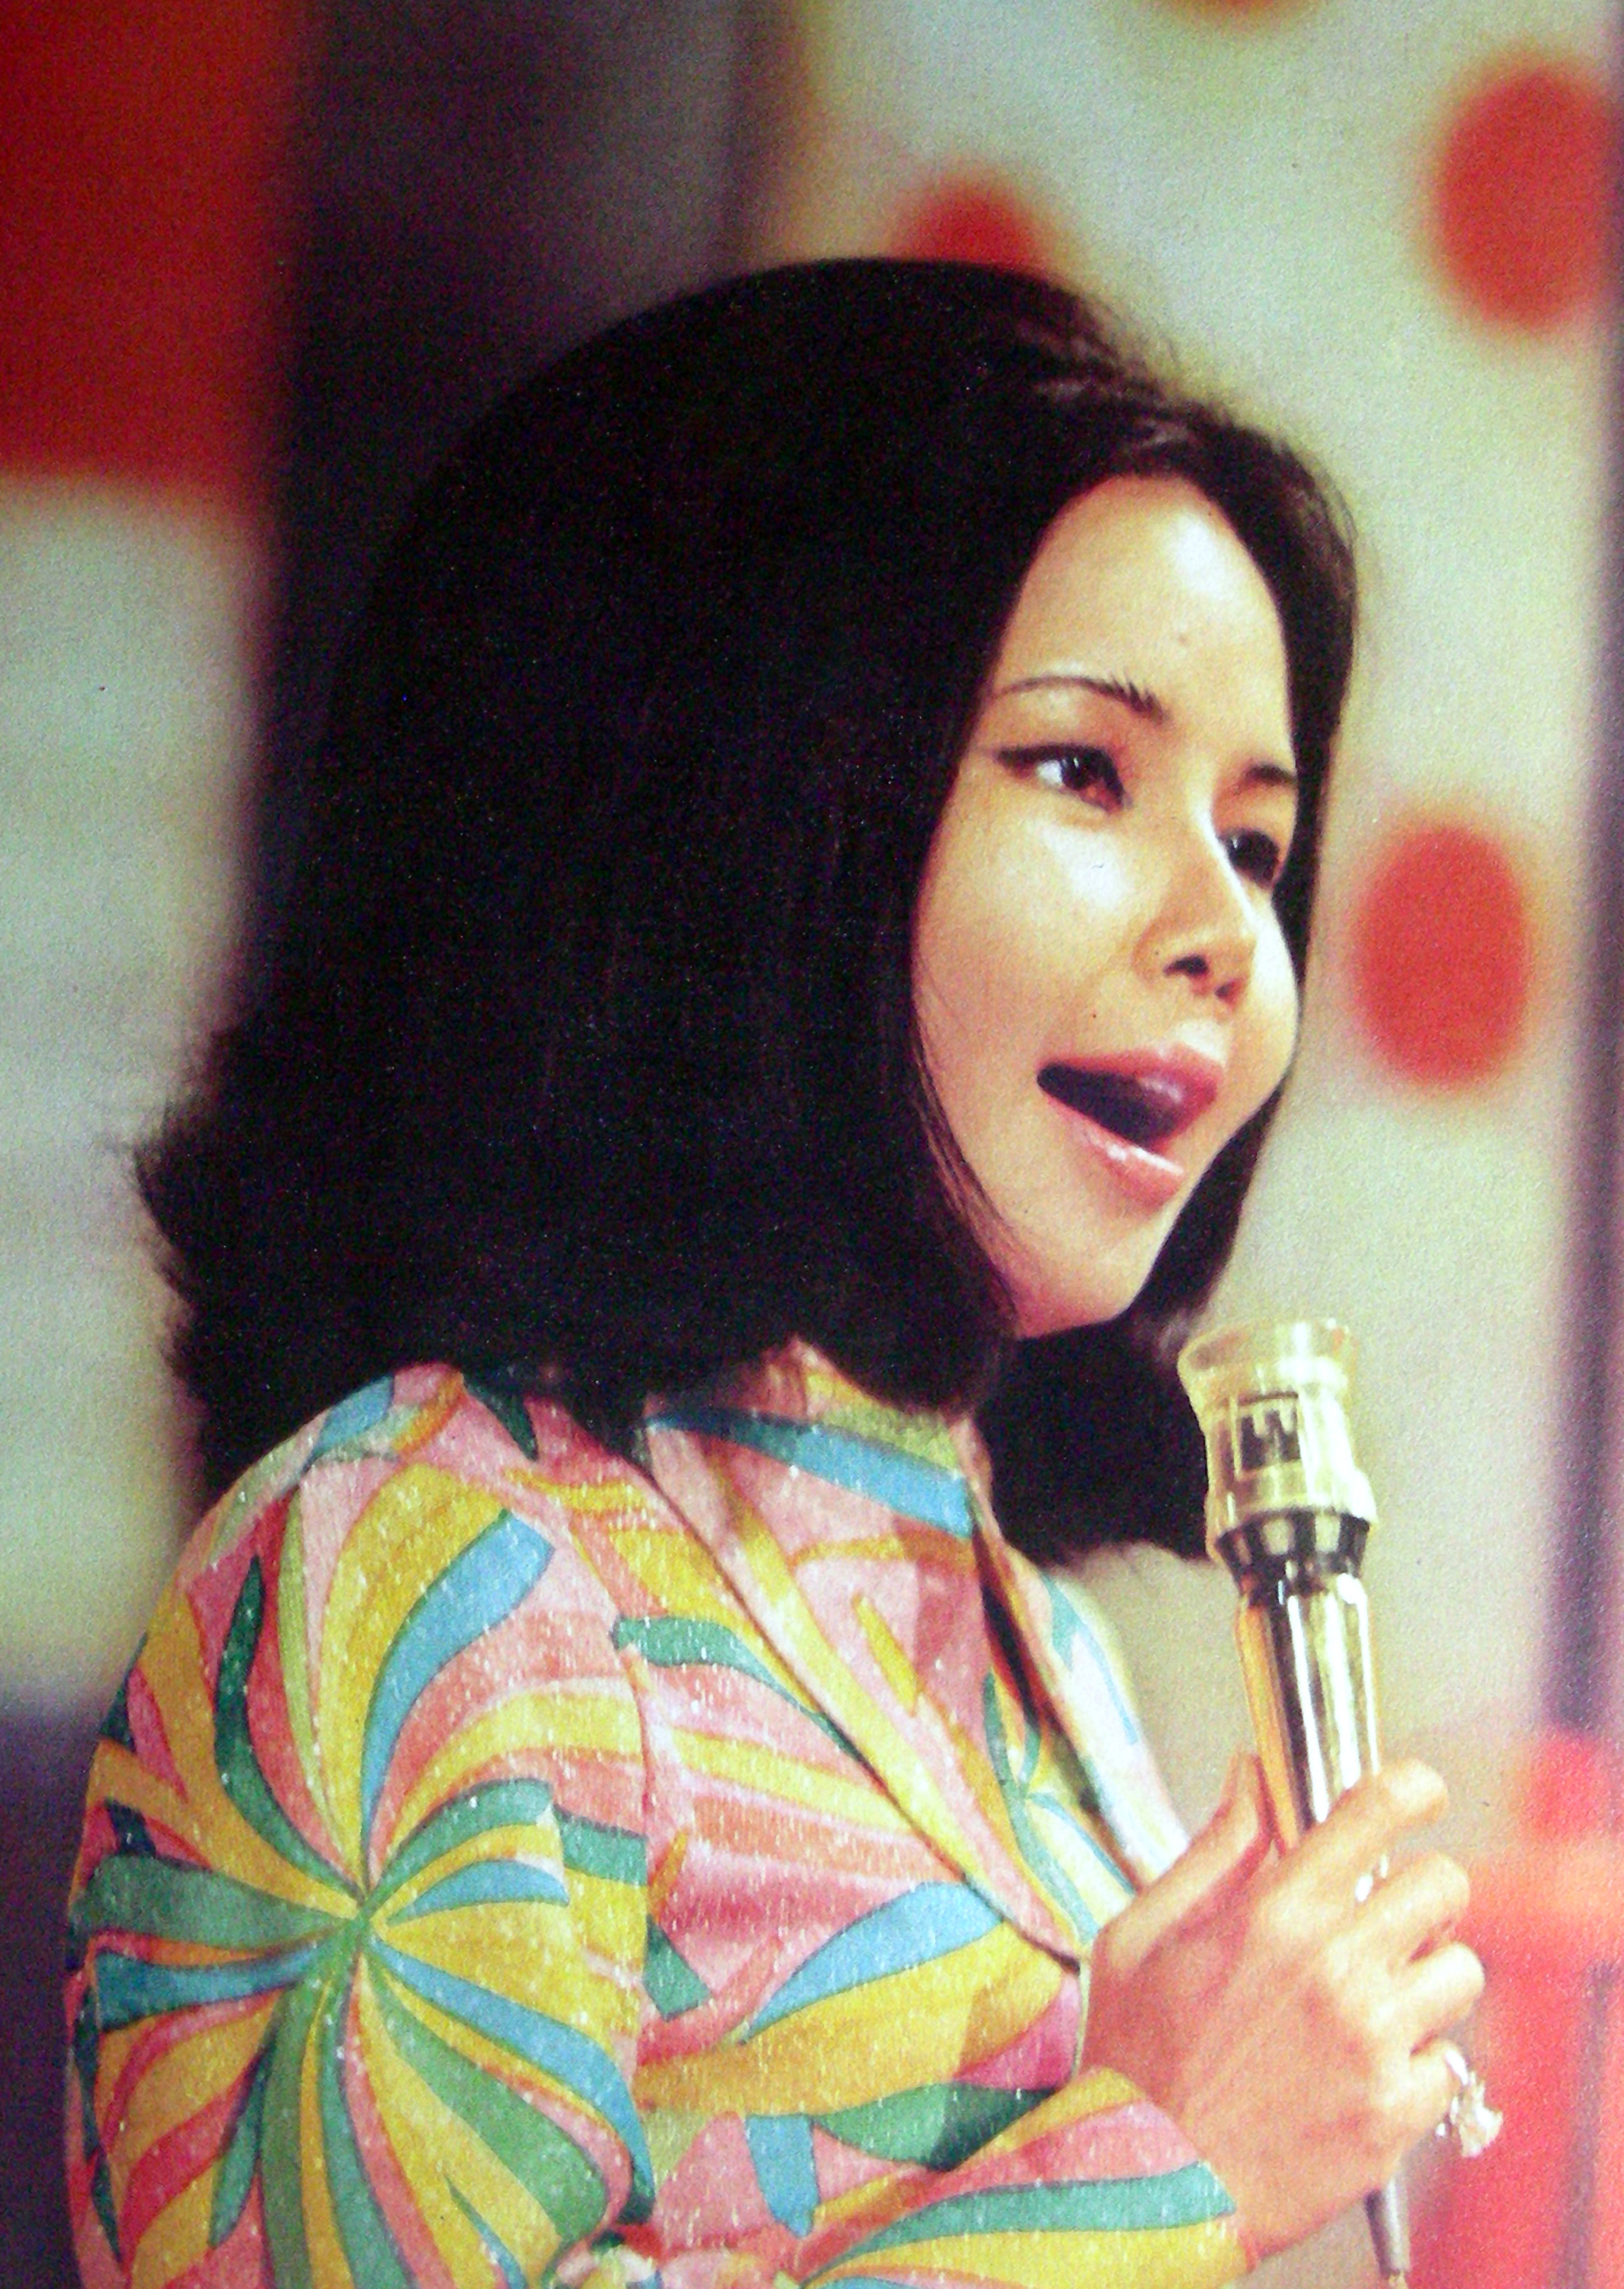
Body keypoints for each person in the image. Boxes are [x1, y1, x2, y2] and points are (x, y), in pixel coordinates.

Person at [65, 259, 1483, 2288]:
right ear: (742, 794)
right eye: (1081, 769)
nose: (1227, 940)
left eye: (1259, 844)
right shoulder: (425, 1557)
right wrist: (1158, 2177)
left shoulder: (1044, 1648)